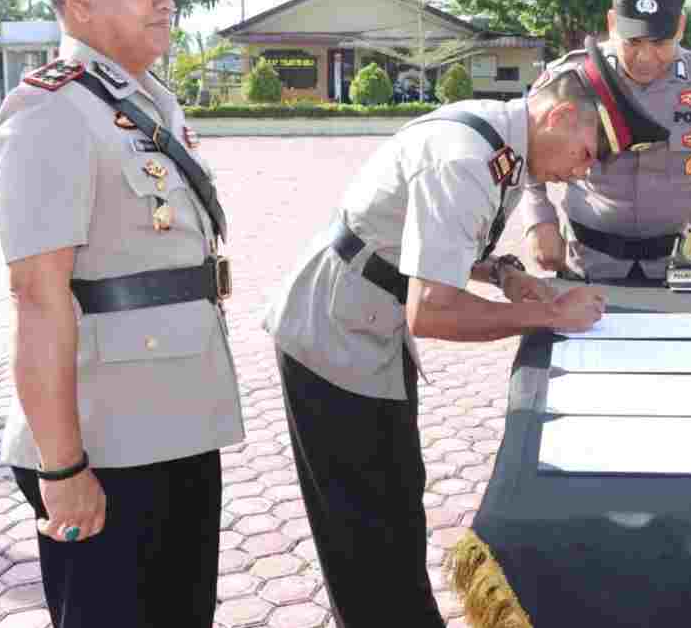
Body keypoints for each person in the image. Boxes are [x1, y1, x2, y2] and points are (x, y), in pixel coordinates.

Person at [262, 44, 667, 627]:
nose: (582, 171)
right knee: (362, 522)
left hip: (371, 323)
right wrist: (550, 316)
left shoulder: (500, 144)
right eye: (585, 152)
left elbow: (435, 240)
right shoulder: (465, 159)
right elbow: (433, 312)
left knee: (398, 499)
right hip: (331, 334)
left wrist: (502, 272)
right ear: (557, 117)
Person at [0, 0, 242, 627]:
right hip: (104, 443)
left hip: (174, 426)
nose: (163, 4)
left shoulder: (145, 101)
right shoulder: (51, 112)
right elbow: (38, 297)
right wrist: (62, 468)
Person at [521, 0, 691, 280]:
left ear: (681, 27)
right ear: (611, 22)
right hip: (589, 265)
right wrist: (539, 220)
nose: (646, 57)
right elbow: (524, 153)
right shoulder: (570, 80)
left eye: (660, 43)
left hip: (687, 268)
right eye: (632, 42)